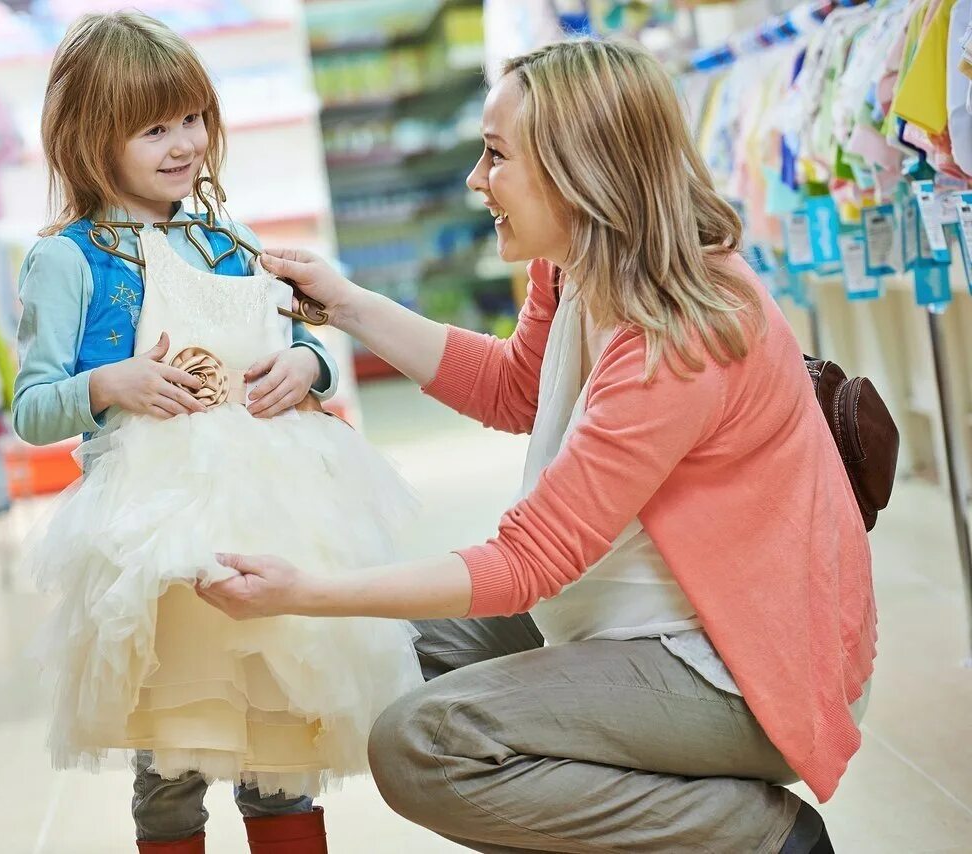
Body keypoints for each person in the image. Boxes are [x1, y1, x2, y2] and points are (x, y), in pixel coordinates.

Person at [198, 38, 875, 854]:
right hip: (637, 616)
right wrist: (345, 305)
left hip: (740, 666)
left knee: (420, 744)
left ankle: (754, 836)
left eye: (494, 155)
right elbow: (516, 387)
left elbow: (527, 562)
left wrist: (304, 589)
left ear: (576, 167)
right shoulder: (579, 265)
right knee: (387, 657)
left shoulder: (684, 330)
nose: (476, 180)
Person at [13, 12, 421, 854]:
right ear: (92, 138)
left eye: (192, 119)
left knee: (282, 736)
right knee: (173, 753)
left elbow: (294, 341)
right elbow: (31, 407)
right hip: (156, 540)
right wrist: (107, 383)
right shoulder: (69, 260)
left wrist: (308, 368)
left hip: (272, 515)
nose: (183, 143)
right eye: (153, 127)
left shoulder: (225, 238)